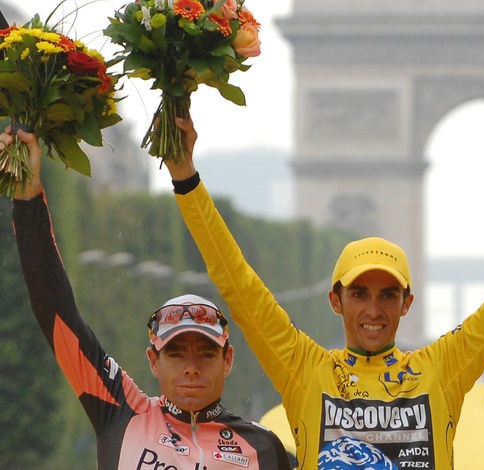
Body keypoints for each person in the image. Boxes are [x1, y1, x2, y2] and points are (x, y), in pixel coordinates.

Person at [161, 115, 484, 470]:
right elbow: (236, 282)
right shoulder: (303, 368)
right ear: (335, 301)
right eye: (360, 293)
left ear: (407, 304)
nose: (374, 309)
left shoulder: (443, 367)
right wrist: (186, 178)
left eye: (387, 295)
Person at [6, 125, 293, 470]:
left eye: (205, 353)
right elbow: (57, 313)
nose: (191, 368)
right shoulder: (121, 412)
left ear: (227, 360)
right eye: (175, 353)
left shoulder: (264, 448)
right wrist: (27, 200)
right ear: (153, 360)